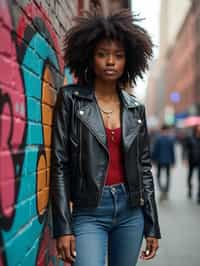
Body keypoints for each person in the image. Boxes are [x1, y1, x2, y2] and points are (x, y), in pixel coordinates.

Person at [50, 9, 161, 266]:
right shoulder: (70, 99)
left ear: (128, 61)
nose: (110, 61)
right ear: (90, 58)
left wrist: (152, 224)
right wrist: (63, 227)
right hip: (89, 211)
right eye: (102, 54)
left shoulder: (135, 108)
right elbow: (59, 163)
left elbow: (144, 168)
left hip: (130, 210)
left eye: (118, 56)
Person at [152, 125, 175, 200]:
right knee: (168, 176)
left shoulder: (158, 139)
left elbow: (155, 150)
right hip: (168, 160)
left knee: (158, 176)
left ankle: (162, 189)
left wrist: (153, 160)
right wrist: (173, 161)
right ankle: (166, 190)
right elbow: (172, 151)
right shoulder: (170, 139)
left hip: (159, 160)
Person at [183, 125, 200, 203]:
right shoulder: (190, 138)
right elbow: (185, 149)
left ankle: (199, 195)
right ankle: (190, 189)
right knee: (190, 176)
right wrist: (185, 159)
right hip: (191, 160)